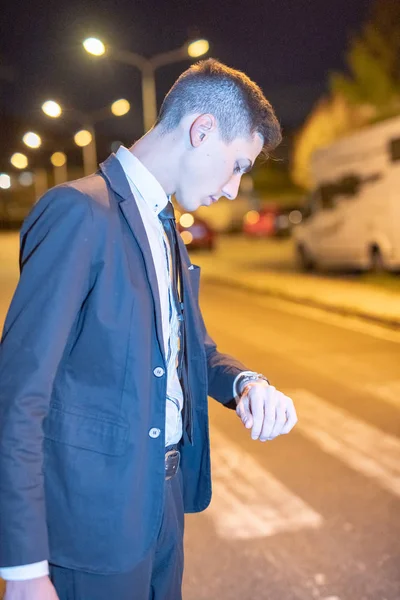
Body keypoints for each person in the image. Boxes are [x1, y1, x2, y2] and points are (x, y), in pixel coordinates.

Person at [0, 58, 297, 600]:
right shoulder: (78, 213)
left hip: (160, 512)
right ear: (202, 130)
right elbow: (18, 393)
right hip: (90, 530)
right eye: (237, 165)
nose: (234, 189)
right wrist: (21, 566)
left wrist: (245, 382)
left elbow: (190, 348)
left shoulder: (164, 226)